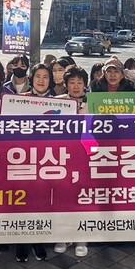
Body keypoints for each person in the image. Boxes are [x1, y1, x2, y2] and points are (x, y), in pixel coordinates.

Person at [54, 65, 90, 257]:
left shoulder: (93, 102)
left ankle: (81, 238)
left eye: (79, 82)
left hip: (86, 156)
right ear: (66, 84)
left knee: (82, 197)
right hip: (62, 157)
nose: (76, 86)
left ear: (85, 84)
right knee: (63, 197)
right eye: (72, 82)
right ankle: (63, 236)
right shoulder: (57, 102)